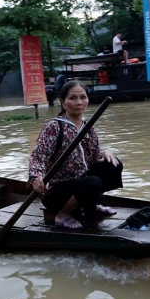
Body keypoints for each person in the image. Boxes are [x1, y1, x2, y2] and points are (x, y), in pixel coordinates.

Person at [29, 80, 123, 230]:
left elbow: (94, 157)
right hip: (56, 191)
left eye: (83, 97)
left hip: (82, 184)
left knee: (113, 165)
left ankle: (90, 203)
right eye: (73, 98)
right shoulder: (54, 127)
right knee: (93, 182)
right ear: (63, 102)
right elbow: (38, 157)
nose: (79, 102)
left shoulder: (88, 127)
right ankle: (63, 214)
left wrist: (105, 152)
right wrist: (37, 177)